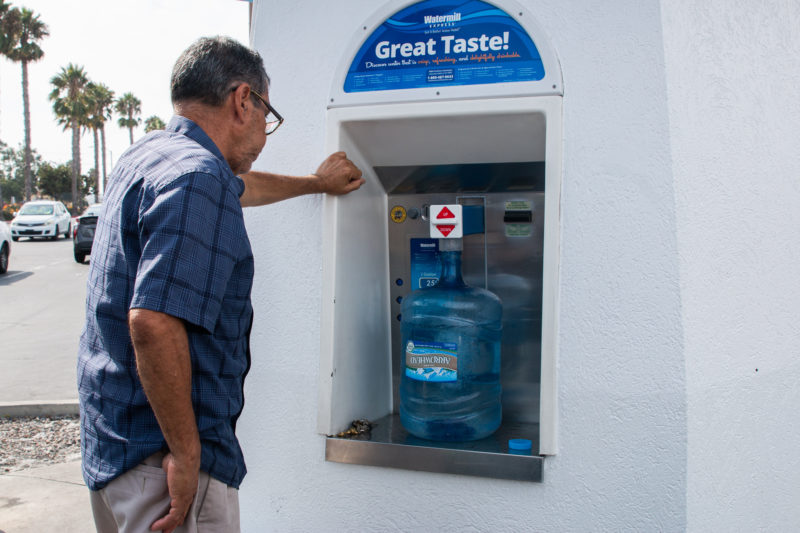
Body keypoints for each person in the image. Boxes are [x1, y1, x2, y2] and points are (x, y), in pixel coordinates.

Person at [77, 36, 364, 533]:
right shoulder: (198, 178)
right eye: (267, 116)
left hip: (114, 450)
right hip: (163, 469)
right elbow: (152, 322)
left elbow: (238, 187)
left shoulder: (150, 156)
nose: (265, 133)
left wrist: (316, 184)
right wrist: (188, 457)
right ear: (243, 100)